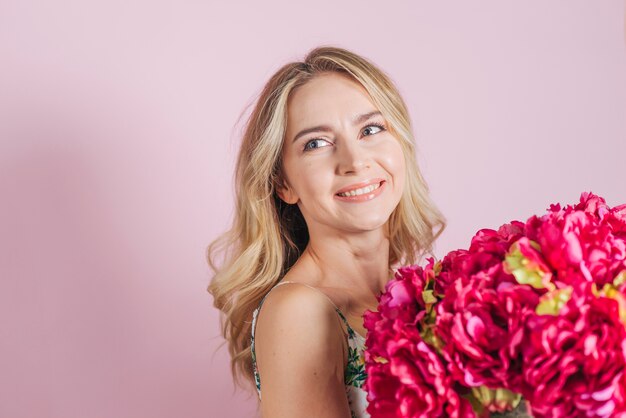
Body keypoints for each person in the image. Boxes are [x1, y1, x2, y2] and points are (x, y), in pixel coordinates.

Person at [207, 45, 446, 418]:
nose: (354, 162)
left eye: (371, 129)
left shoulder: (420, 290)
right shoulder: (299, 311)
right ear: (283, 184)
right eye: (316, 143)